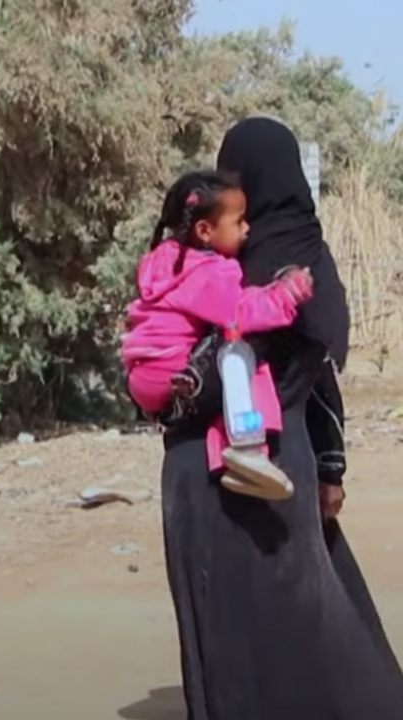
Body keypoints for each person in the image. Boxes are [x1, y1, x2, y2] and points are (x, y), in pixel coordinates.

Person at [155, 116, 403, 719]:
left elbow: (174, 373)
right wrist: (330, 468)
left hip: (210, 468)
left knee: (234, 623)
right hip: (282, 460)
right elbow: (320, 380)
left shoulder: (213, 262)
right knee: (298, 620)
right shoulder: (310, 259)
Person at [123, 169, 314, 500]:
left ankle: (226, 459)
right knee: (242, 352)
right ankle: (249, 448)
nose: (247, 228)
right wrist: (286, 294)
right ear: (205, 230)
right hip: (175, 371)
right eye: (239, 221)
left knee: (217, 384)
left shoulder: (165, 260)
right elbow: (238, 312)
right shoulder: (208, 270)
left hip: (143, 378)